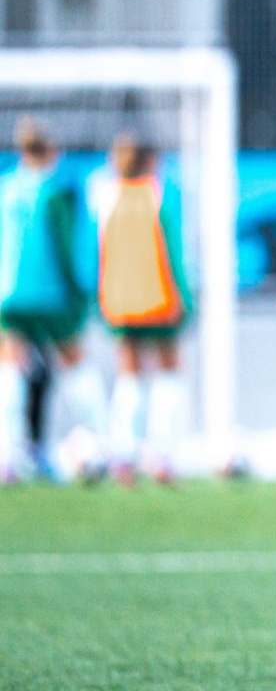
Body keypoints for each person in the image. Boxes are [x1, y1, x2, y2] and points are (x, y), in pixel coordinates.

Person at [0, 119, 100, 482]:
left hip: (9, 294)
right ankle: (97, 445)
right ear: (52, 152)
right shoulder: (56, 194)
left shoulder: (7, 189)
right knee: (75, 364)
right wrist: (80, 293)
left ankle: (8, 455)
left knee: (10, 367)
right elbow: (68, 249)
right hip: (52, 295)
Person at [93, 135, 192, 486]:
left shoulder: (106, 197)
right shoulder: (158, 195)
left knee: (129, 376)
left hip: (120, 301)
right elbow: (173, 251)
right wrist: (184, 297)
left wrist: (101, 296)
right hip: (159, 298)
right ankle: (161, 455)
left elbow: (99, 252)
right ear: (149, 161)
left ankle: (123, 455)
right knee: (168, 372)